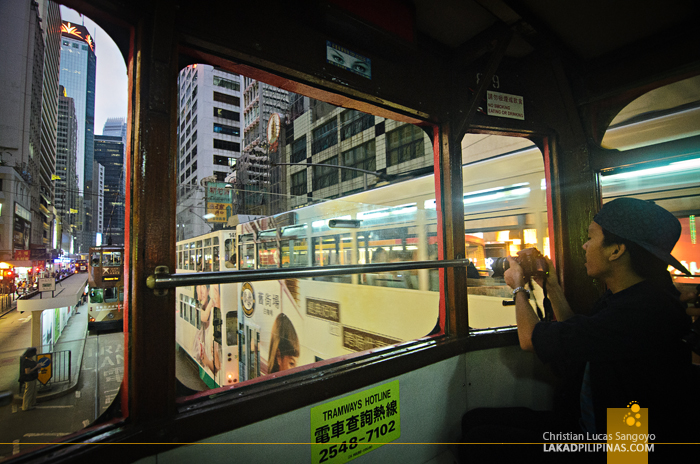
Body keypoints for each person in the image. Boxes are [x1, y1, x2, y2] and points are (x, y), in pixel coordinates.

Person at [464, 198, 697, 444]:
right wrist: (550, 286)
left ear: (616, 250)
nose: (585, 246)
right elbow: (582, 336)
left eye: (591, 238)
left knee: (480, 439)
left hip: (623, 446)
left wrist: (518, 287)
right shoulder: (636, 299)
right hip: (600, 424)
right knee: (475, 421)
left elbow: (529, 339)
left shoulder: (641, 313)